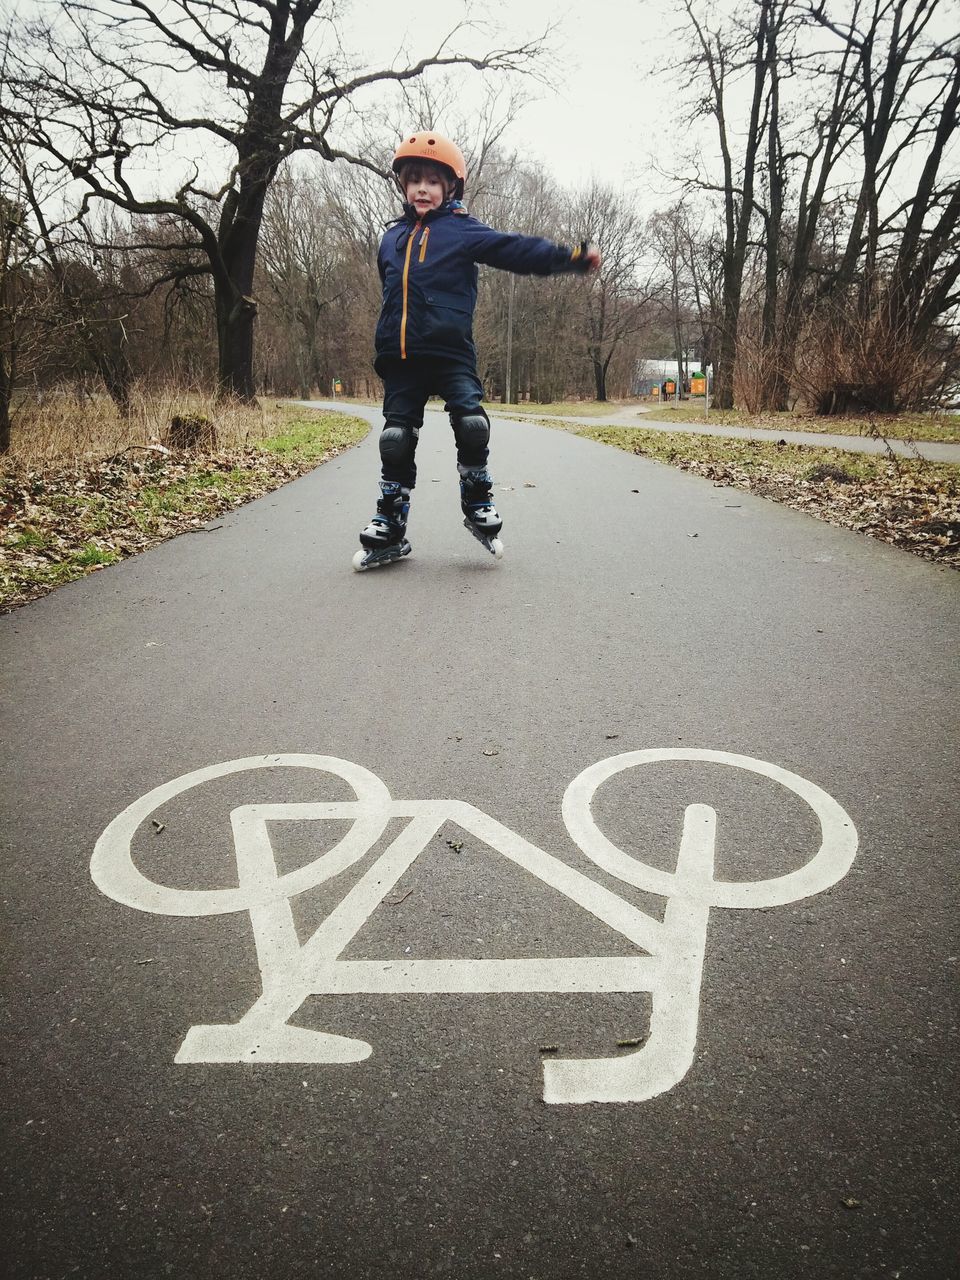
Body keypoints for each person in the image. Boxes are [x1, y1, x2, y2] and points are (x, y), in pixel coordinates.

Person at [353, 130, 601, 570]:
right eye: (414, 181)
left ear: (450, 187)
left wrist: (567, 258)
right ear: (404, 187)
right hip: (403, 358)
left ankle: (477, 501)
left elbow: (515, 250)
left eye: (432, 180)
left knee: (472, 425)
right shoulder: (389, 240)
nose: (422, 189)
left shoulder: (462, 231)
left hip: (451, 353)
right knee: (395, 440)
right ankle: (390, 523)